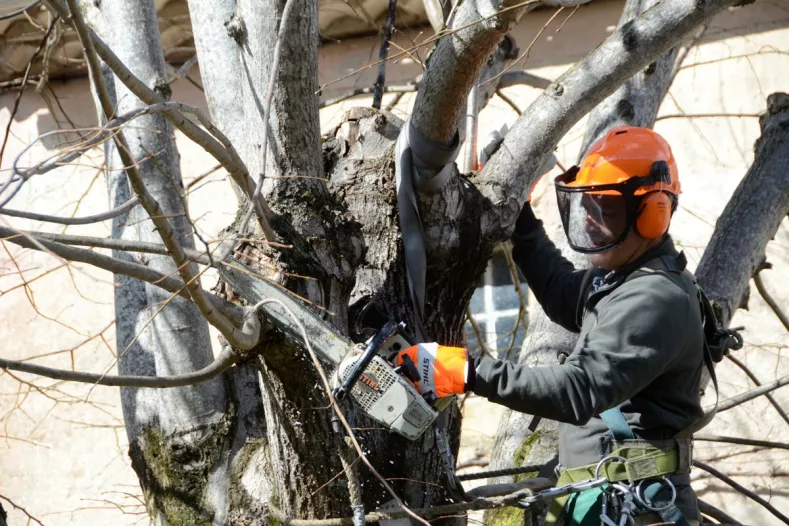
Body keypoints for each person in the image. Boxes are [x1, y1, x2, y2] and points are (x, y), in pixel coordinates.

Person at [398, 126, 707, 526]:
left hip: (635, 506)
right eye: (588, 207)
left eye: (606, 209)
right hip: (604, 495)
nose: (591, 221)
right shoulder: (625, 282)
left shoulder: (654, 297)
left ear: (653, 213)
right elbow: (561, 291)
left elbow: (577, 390)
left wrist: (468, 372)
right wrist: (519, 214)